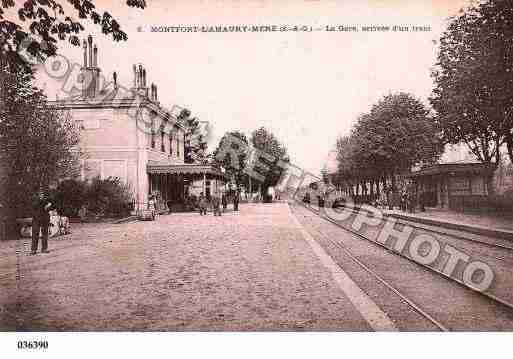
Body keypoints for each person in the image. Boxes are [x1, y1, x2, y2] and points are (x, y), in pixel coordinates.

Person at [31, 191, 52, 255]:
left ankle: (44, 248)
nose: (41, 195)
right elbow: (34, 206)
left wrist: (49, 205)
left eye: (43, 194)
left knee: (45, 234)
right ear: (38, 195)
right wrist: (43, 202)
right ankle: (33, 250)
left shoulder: (47, 200)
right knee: (35, 234)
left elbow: (50, 208)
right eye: (40, 194)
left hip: (45, 219)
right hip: (36, 219)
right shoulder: (35, 200)